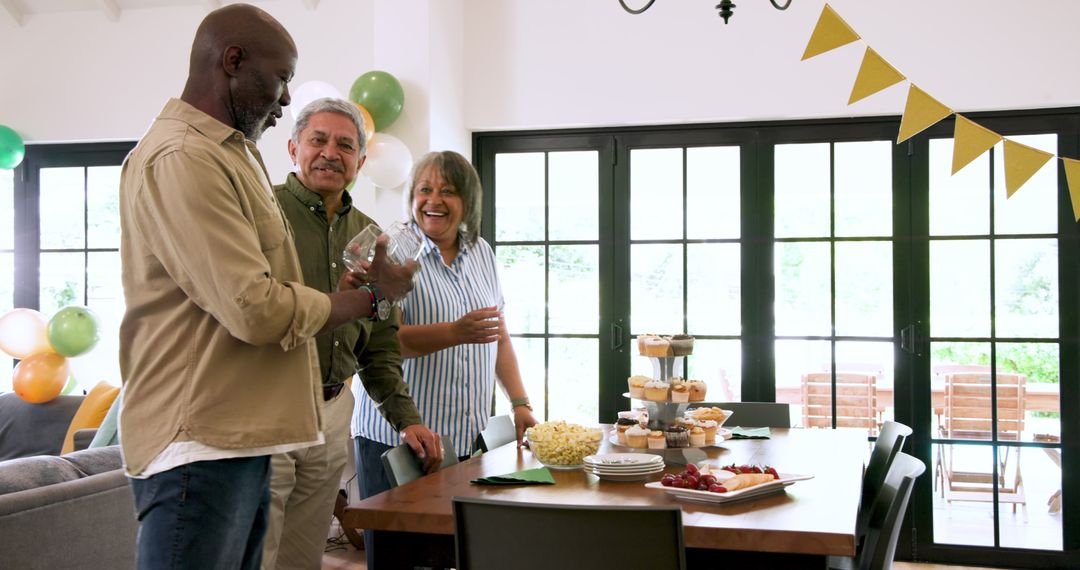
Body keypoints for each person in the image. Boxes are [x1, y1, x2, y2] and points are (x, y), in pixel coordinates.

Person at [117, 5, 440, 569]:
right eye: (283, 77)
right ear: (233, 61)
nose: (286, 96)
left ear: (362, 161)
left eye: (347, 147)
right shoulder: (183, 157)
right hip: (202, 440)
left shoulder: (229, 155)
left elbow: (281, 301)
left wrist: (354, 298)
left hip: (252, 433)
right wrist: (367, 298)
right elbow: (256, 309)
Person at [262, 97, 440, 570]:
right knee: (257, 553)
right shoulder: (262, 216)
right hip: (266, 407)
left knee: (303, 555)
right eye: (318, 140)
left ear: (361, 161)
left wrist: (407, 419)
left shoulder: (371, 234)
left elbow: (380, 347)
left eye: (345, 145)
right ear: (292, 147)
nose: (330, 153)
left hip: (334, 409)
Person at [352, 150, 538, 510]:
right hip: (396, 440)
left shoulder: (481, 251)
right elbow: (385, 343)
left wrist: (520, 402)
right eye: (424, 190)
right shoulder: (392, 252)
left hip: (465, 439)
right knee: (401, 554)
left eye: (447, 191)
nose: (433, 201)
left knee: (454, 550)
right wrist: (455, 332)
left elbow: (497, 333)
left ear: (468, 201)